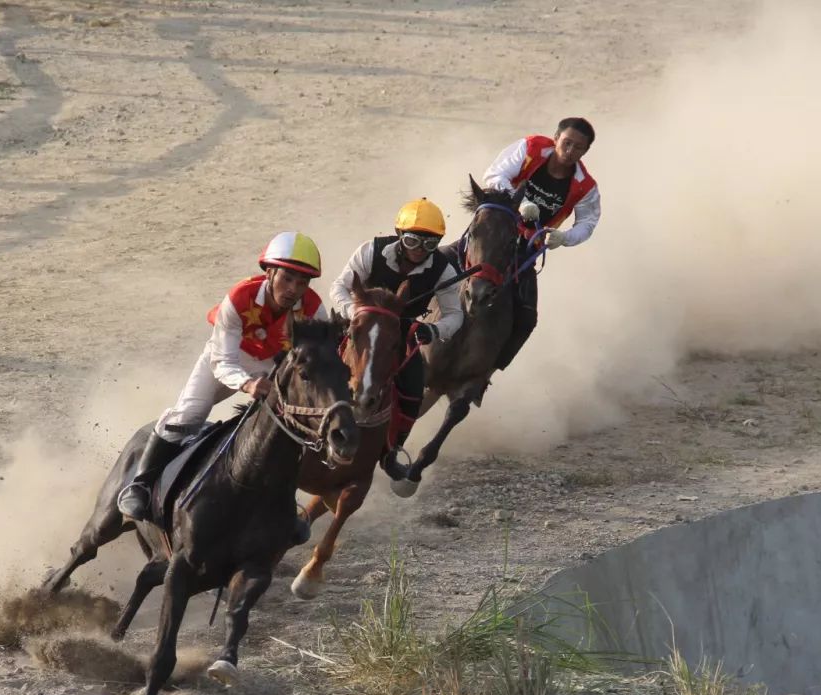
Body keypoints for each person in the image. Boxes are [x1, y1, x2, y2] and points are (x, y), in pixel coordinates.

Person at [117, 231, 328, 526]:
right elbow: (222, 360)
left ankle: (281, 504)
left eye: (302, 282)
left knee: (289, 430)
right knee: (189, 414)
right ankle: (140, 485)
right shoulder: (239, 297)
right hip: (229, 358)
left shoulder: (315, 310)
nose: (294, 290)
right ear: (269, 272)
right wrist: (247, 382)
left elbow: (322, 358)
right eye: (287, 279)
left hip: (274, 368)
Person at [329, 198, 463, 480]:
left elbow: (455, 315)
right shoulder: (370, 250)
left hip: (401, 333)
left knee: (414, 391)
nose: (419, 251)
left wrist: (433, 331)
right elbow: (338, 287)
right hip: (359, 326)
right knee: (314, 363)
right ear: (400, 235)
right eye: (413, 241)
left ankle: (392, 452)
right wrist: (357, 313)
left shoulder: (443, 269)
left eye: (429, 244)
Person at [480, 116, 601, 369]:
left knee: (527, 319)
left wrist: (564, 237)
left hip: (526, 248)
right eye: (566, 143)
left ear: (586, 151)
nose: (570, 152)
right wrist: (520, 202)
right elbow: (493, 175)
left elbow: (588, 223)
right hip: (495, 229)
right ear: (556, 138)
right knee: (446, 262)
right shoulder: (530, 148)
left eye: (578, 148)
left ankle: (487, 372)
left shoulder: (585, 186)